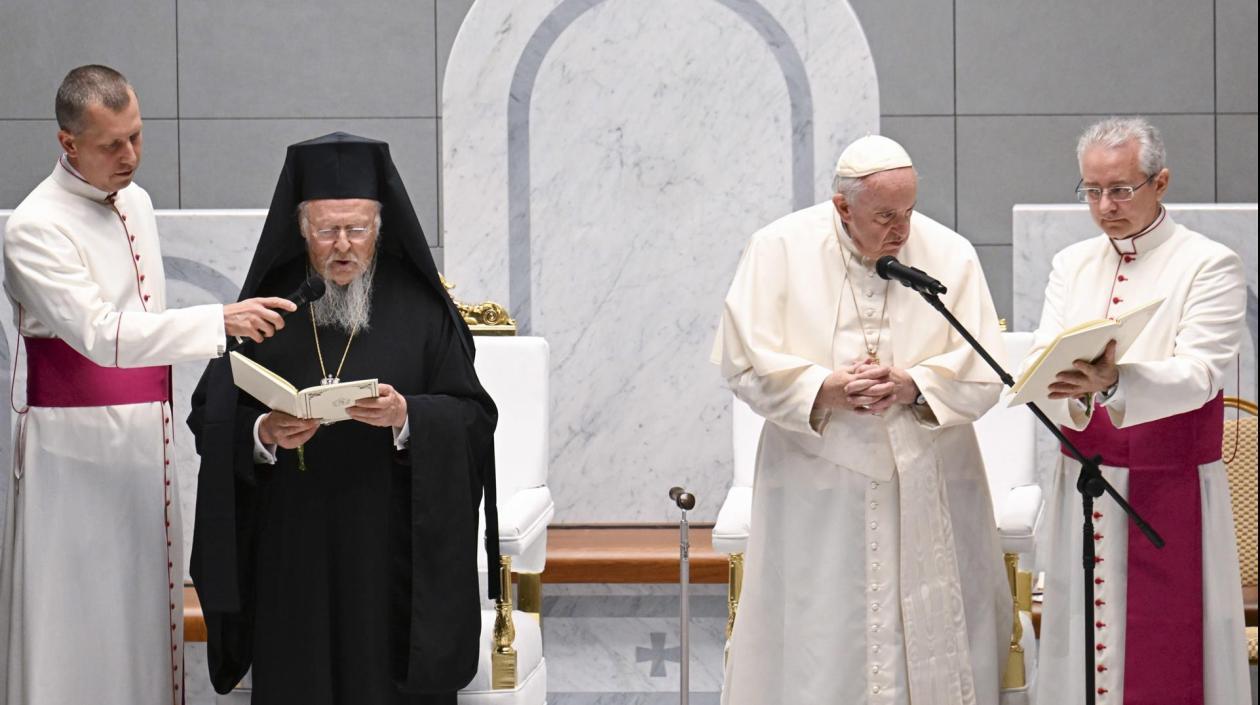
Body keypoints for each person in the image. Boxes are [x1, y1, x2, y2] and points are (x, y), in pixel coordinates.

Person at [0, 64, 293, 705]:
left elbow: (145, 322)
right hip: (71, 457)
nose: (130, 156)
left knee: (143, 607)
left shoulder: (137, 202)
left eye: (137, 136)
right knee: (78, 618)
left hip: (145, 446)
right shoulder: (32, 227)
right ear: (67, 143)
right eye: (112, 144)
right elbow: (103, 334)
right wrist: (218, 319)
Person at [188, 132, 500, 705]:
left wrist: (408, 416)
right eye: (326, 230)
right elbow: (209, 414)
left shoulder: (424, 310)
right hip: (293, 548)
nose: (342, 247)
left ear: (380, 227)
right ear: (300, 228)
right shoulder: (268, 311)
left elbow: (474, 417)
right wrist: (264, 433)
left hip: (390, 549)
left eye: (357, 229)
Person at [713, 135, 1011, 705]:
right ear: (842, 207)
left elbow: (983, 370)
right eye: (885, 216)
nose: (901, 231)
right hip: (816, 482)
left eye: (908, 212)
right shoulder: (777, 248)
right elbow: (742, 364)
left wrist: (915, 384)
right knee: (822, 634)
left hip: (928, 470)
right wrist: (823, 387)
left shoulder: (949, 252)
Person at [1028, 117, 1249, 705]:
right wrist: (1062, 381)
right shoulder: (1071, 264)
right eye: (1091, 191)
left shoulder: (1208, 264)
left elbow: (1201, 374)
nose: (1105, 206)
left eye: (1120, 189)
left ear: (1161, 182)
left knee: (1172, 651)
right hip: (1087, 480)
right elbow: (1050, 354)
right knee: (1082, 647)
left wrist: (1116, 381)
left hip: (1169, 487)